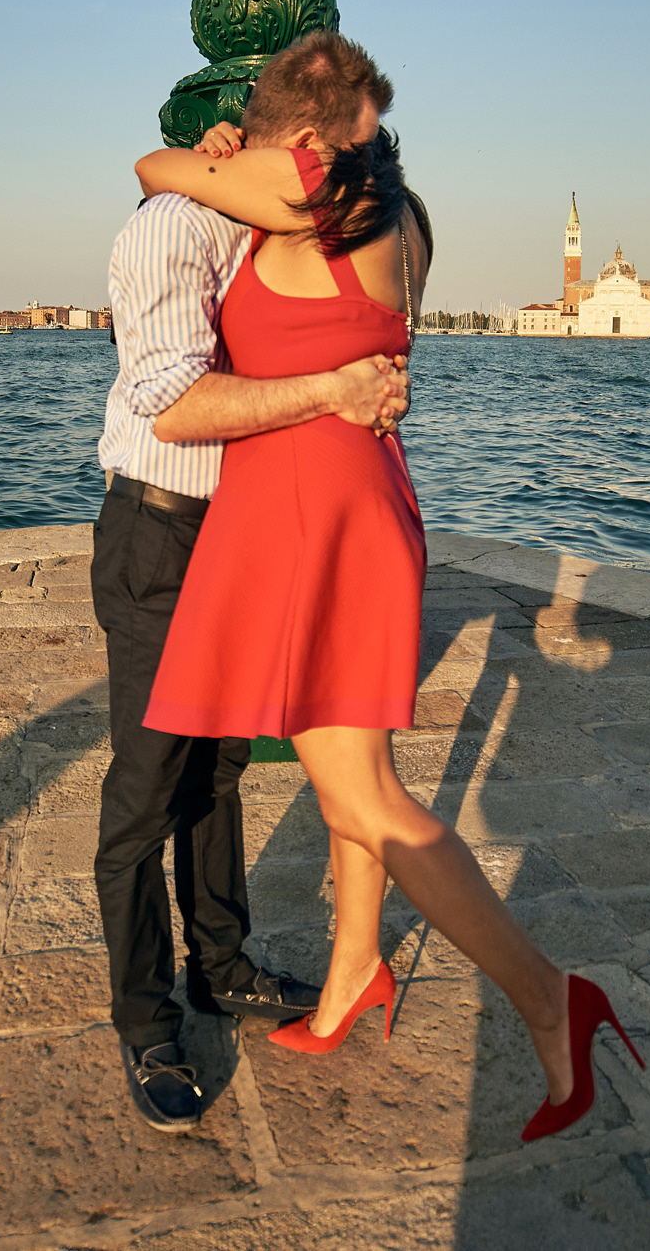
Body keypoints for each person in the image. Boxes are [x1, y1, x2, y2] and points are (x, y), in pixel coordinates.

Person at [132, 31, 644, 1144]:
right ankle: (354, 973)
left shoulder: (312, 184)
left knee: (360, 796)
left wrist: (210, 153)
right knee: (357, 776)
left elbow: (150, 167)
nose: (372, 141)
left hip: (308, 505)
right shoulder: (406, 215)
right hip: (369, 493)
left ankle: (550, 998)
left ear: (295, 136)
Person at [93, 99, 414, 1133]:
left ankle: (220, 966)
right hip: (160, 529)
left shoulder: (257, 227)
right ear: (290, 142)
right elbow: (179, 406)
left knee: (220, 767)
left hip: (236, 533)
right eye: (324, 152)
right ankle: (146, 1019)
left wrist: (374, 389)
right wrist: (335, 389)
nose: (329, 177)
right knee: (147, 788)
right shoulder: (170, 230)